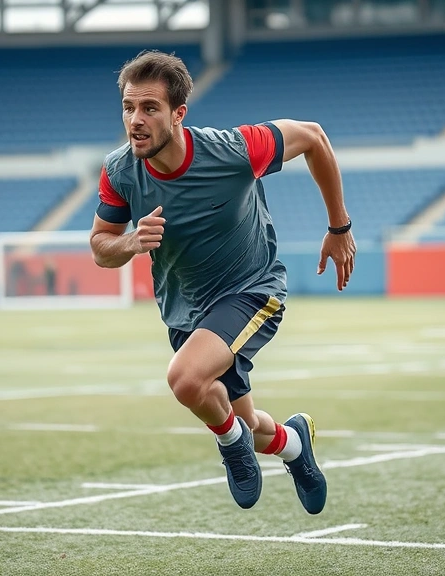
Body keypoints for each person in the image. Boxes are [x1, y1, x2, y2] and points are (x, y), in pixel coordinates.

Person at [89, 50, 356, 514]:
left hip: (251, 291)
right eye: (129, 107)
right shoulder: (118, 171)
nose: (136, 119)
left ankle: (232, 448)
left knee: (186, 380)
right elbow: (100, 246)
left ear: (178, 114)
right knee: (245, 419)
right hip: (184, 310)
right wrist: (130, 243)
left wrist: (339, 228)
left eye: (150, 108)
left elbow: (313, 136)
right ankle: (294, 446)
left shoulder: (234, 150)